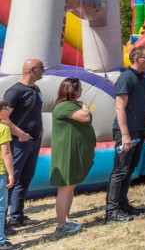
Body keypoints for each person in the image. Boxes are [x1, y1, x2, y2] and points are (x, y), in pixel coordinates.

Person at [106, 46, 145, 223]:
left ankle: (123, 204)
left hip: (138, 130)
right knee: (120, 170)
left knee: (130, 169)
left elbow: (141, 105)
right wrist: (124, 134)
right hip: (126, 131)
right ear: (137, 59)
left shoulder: (142, 79)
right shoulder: (126, 78)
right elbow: (120, 107)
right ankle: (111, 211)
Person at [49, 78, 94, 235]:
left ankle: (66, 219)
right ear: (71, 90)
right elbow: (85, 117)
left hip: (72, 152)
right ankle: (61, 225)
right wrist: (83, 106)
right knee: (65, 188)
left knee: (70, 187)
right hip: (66, 154)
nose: (81, 90)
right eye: (79, 88)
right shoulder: (63, 106)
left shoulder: (69, 105)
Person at [3, 58, 44, 229]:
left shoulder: (36, 89)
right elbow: (3, 119)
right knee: (11, 181)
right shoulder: (15, 92)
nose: (44, 71)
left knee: (25, 179)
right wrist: (20, 134)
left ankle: (17, 216)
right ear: (32, 69)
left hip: (34, 141)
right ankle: (2, 222)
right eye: (42, 68)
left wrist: (39, 130)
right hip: (19, 143)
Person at [0, 101, 16, 250]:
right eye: (5, 108)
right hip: (0, 173)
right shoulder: (3, 128)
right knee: (0, 208)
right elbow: (6, 153)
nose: (8, 110)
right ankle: (0, 241)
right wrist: (11, 173)